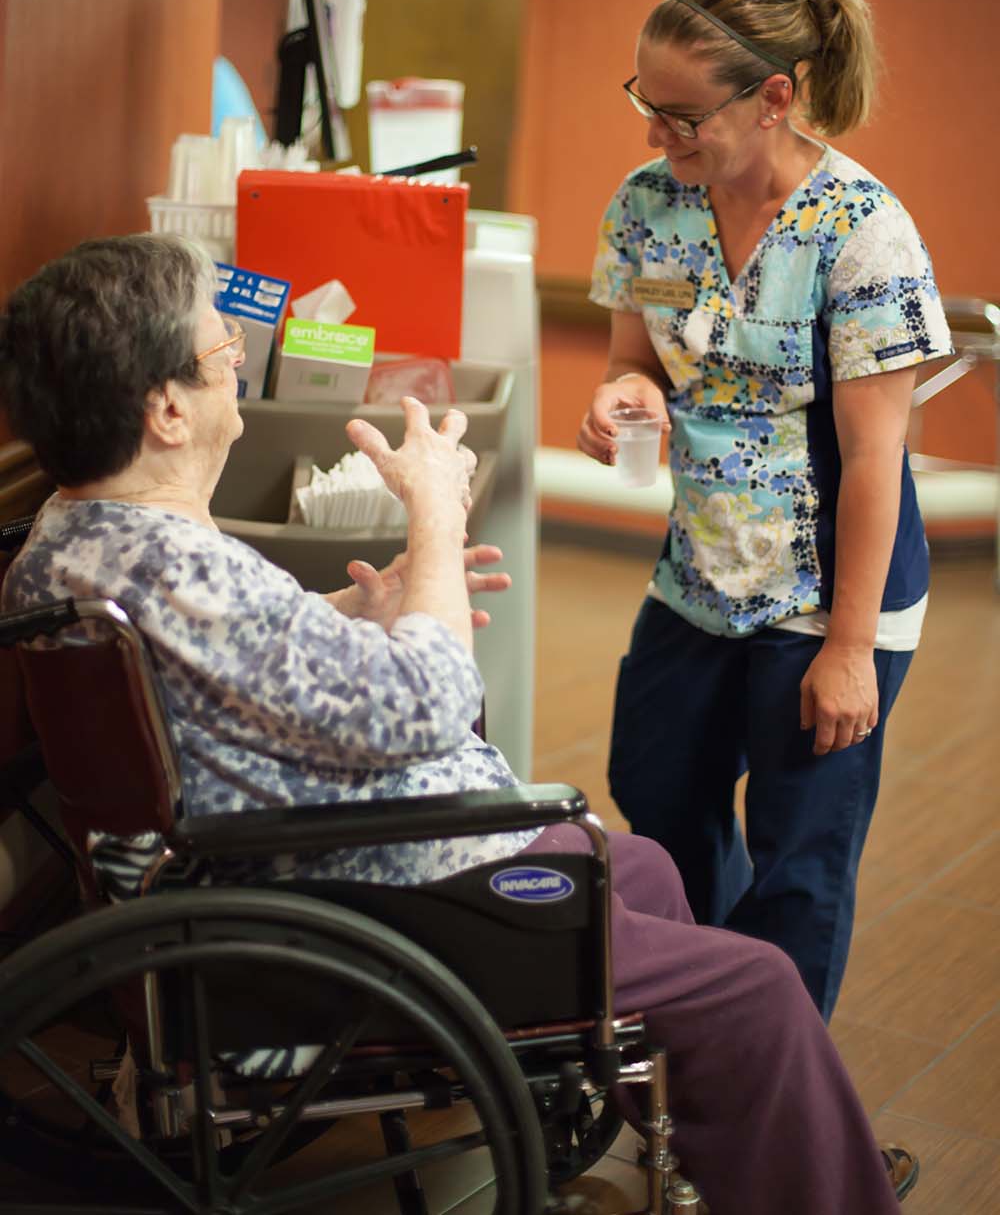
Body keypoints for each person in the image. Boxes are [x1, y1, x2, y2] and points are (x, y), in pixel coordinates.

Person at [0, 233, 917, 1213]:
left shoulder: (78, 539)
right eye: (218, 344)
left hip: (296, 866)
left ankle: (723, 1131)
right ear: (168, 409)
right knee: (756, 984)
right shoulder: (175, 563)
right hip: (356, 900)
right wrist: (435, 519)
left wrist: (366, 607)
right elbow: (430, 704)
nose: (234, 345)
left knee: (640, 869)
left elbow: (216, 668)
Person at [579, 0, 952, 1024]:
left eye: (684, 115)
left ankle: (774, 1113)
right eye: (645, 106)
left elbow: (877, 460)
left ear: (774, 95)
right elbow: (633, 357)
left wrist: (846, 650)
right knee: (655, 796)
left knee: (799, 861)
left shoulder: (861, 233)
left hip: (827, 594)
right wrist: (622, 399)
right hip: (697, 572)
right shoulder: (651, 205)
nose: (659, 136)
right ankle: (718, 1015)